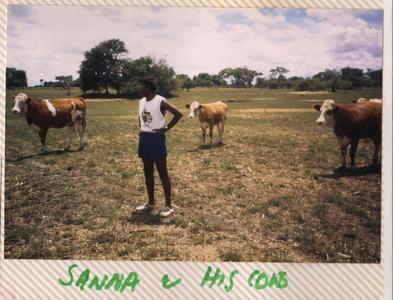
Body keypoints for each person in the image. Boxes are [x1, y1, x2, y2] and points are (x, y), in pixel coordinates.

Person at [135, 76, 183, 217]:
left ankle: (168, 206)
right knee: (147, 171)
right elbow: (141, 117)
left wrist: (165, 128)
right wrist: (143, 129)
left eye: (141, 86)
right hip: (144, 138)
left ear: (149, 88)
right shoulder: (141, 101)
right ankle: (151, 202)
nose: (138, 88)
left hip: (157, 139)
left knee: (163, 173)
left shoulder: (160, 101)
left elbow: (179, 114)